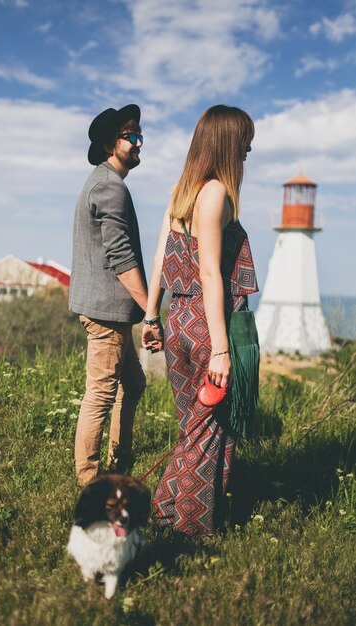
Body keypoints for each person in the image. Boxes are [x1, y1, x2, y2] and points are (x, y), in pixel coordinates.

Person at [142, 105, 259, 537]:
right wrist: (222, 348)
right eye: (244, 143)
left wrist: (151, 317)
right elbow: (211, 273)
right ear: (227, 143)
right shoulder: (216, 194)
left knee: (195, 428)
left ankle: (169, 515)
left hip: (178, 319)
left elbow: (160, 259)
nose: (247, 150)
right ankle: (185, 529)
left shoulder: (182, 191)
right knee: (206, 434)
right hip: (208, 325)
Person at [69, 104, 151, 486]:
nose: (138, 142)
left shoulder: (105, 183)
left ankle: (121, 457)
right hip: (107, 311)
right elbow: (121, 257)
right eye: (130, 135)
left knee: (133, 384)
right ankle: (89, 481)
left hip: (111, 310)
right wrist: (151, 311)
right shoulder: (110, 188)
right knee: (100, 395)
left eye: (139, 134)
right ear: (108, 144)